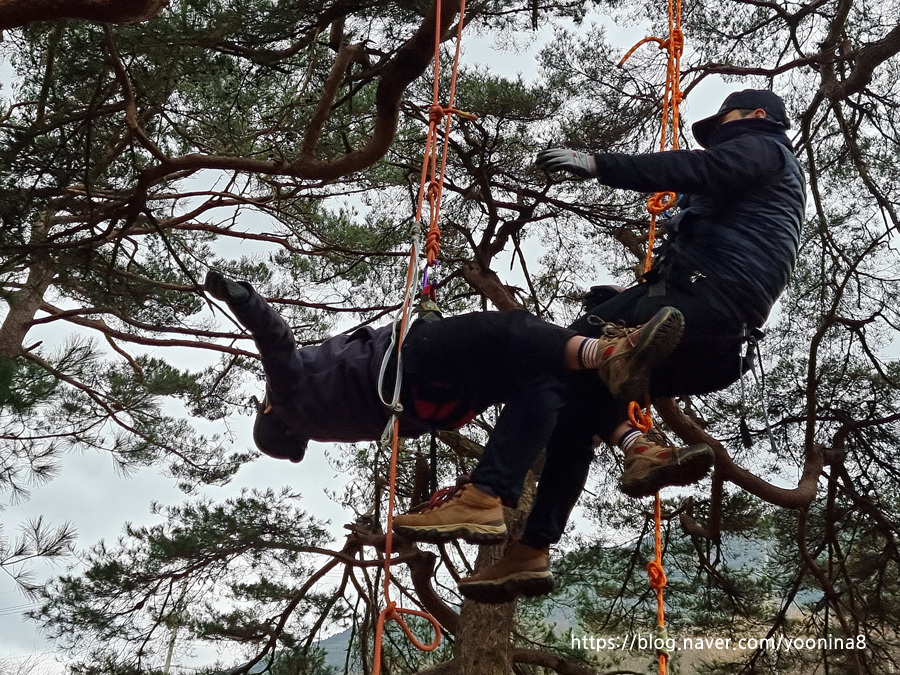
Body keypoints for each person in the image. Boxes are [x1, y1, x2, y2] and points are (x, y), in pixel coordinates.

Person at [395, 89, 806, 604]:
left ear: (757, 116)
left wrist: (598, 164)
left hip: (698, 302)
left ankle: (486, 493)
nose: (719, 133)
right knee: (577, 403)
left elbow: (696, 169)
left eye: (726, 120)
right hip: (721, 342)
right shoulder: (772, 188)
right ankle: (540, 542)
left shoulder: (764, 147)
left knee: (551, 358)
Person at [203, 270, 685, 549]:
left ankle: (632, 444)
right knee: (513, 329)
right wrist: (242, 297)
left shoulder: (327, 423)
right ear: (271, 415)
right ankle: (607, 353)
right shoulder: (289, 396)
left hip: (442, 402)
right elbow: (274, 339)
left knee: (546, 382)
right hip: (411, 363)